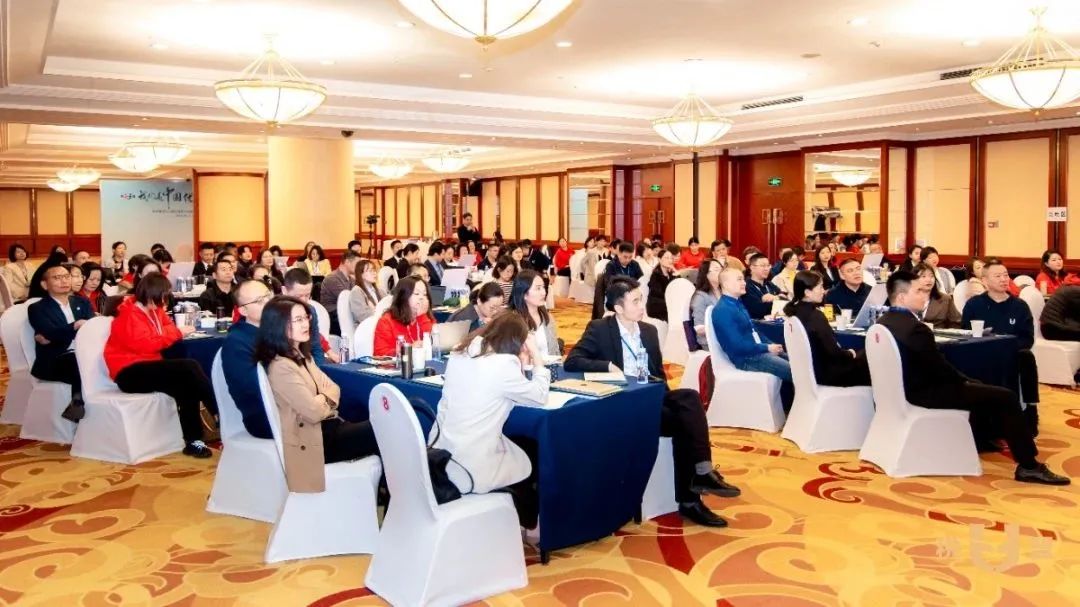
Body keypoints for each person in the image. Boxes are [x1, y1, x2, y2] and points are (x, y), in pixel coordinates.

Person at [565, 277, 741, 527]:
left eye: (641, 299)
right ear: (618, 308)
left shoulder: (649, 331)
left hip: (652, 396)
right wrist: (607, 366)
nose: (642, 306)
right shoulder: (600, 329)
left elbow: (658, 373)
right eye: (635, 301)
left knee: (689, 399)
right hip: (625, 404)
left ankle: (702, 474)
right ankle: (692, 497)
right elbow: (572, 361)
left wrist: (664, 398)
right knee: (685, 422)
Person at [878, 271, 1067, 485]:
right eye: (919, 291)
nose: (925, 295)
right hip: (927, 392)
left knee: (981, 387)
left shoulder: (884, 321)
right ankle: (1029, 465)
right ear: (902, 297)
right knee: (1006, 397)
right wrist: (965, 381)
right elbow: (940, 369)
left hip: (905, 390)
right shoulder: (915, 329)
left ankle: (982, 438)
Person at [434, 312, 547, 527]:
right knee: (533, 451)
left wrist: (521, 363)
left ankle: (520, 522)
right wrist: (536, 357)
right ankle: (529, 525)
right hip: (473, 464)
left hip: (444, 453)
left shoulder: (460, 353)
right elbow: (539, 396)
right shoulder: (503, 364)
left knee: (521, 446)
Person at [256, 297, 380, 492]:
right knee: (381, 429)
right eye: (298, 320)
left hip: (328, 428)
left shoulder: (302, 356)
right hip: (314, 440)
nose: (306, 324)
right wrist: (327, 399)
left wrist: (322, 399)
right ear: (278, 325)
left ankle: (387, 493)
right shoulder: (281, 366)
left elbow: (334, 387)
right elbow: (313, 411)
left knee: (381, 424)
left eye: (306, 318)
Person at [104, 274, 217, 458]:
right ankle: (218, 411)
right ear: (150, 295)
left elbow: (168, 328)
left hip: (150, 367)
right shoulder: (127, 315)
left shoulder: (155, 310)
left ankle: (193, 440)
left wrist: (167, 333)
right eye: (163, 297)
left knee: (187, 384)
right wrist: (175, 333)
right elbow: (147, 344)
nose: (165, 302)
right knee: (189, 366)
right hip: (128, 373)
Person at [960, 260, 1040, 435]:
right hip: (982, 353)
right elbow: (965, 332)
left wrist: (1005, 347)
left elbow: (1027, 338)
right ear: (985, 281)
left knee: (1027, 357)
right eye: (998, 276)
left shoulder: (1019, 306)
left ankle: (1030, 410)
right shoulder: (974, 305)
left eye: (1006, 275)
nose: (1004, 279)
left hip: (1012, 353)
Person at [712, 268, 794, 410]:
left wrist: (771, 344)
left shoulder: (737, 303)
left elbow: (754, 331)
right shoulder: (723, 310)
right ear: (725, 284)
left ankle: (791, 406)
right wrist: (766, 347)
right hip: (747, 358)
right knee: (796, 372)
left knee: (799, 364)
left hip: (757, 352)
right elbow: (736, 345)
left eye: (743, 279)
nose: (744, 282)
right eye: (739, 279)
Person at [28, 263, 95, 422]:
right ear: (45, 284)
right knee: (75, 361)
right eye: (57, 278)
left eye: (66, 277)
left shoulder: (82, 302)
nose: (64, 281)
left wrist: (58, 333)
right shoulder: (37, 308)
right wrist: (75, 326)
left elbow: (91, 327)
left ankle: (84, 405)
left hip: (83, 354)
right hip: (54, 361)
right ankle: (77, 402)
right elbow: (51, 333)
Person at [782, 271, 869, 386]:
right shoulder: (815, 316)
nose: (823, 291)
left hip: (810, 372)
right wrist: (850, 354)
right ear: (807, 292)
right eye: (820, 287)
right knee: (868, 355)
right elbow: (833, 352)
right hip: (827, 375)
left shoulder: (793, 313)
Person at [221, 280, 274, 438]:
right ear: (243, 310)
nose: (268, 303)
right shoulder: (237, 342)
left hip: (296, 405)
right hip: (267, 416)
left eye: (268, 296)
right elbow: (253, 388)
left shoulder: (277, 329)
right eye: (259, 301)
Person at [372, 275, 435, 357]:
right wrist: (408, 349)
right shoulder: (386, 321)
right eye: (417, 294)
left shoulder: (425, 317)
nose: (421, 298)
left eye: (425, 294)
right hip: (397, 364)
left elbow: (433, 341)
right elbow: (380, 353)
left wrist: (422, 316)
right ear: (403, 297)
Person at [281, 268, 332, 364]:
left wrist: (319, 369)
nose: (303, 301)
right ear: (284, 291)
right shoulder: (275, 313)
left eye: (307, 295)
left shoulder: (311, 310)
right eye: (298, 296)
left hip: (307, 361)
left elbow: (316, 346)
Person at [508, 269, 560, 357]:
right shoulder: (513, 321)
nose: (544, 292)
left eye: (543, 287)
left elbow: (555, 350)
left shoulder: (547, 316)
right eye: (538, 288)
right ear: (524, 294)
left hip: (550, 364)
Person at [318, 250, 361, 334]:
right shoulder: (332, 278)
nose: (358, 267)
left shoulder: (351, 279)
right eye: (357, 263)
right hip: (332, 315)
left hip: (344, 311)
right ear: (347, 262)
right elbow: (348, 299)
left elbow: (357, 296)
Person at [914, 262, 960, 329]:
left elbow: (956, 323)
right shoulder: (906, 299)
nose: (929, 280)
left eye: (932, 276)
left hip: (937, 334)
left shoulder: (945, 299)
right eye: (923, 276)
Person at [690, 259, 723, 350]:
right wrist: (725, 328)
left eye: (722, 269)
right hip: (711, 342)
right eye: (717, 269)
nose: (721, 273)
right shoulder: (700, 296)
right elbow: (699, 329)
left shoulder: (724, 292)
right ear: (706, 274)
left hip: (725, 339)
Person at [742, 253, 782, 320]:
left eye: (768, 265)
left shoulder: (769, 284)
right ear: (752, 267)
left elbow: (785, 299)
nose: (766, 269)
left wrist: (775, 298)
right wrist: (778, 302)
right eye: (763, 266)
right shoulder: (746, 286)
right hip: (758, 323)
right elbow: (759, 311)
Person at [646, 243, 680, 321]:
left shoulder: (670, 273)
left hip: (668, 302)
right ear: (659, 259)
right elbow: (658, 293)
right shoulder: (655, 274)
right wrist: (672, 299)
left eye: (671, 258)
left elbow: (678, 285)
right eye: (666, 258)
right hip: (657, 305)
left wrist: (675, 271)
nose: (670, 260)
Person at [349, 259, 384, 324]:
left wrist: (375, 309)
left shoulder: (378, 290)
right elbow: (363, 316)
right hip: (366, 326)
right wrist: (378, 311)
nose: (374, 273)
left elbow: (388, 304)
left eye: (374, 270)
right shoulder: (356, 291)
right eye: (370, 271)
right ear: (361, 274)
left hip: (379, 323)